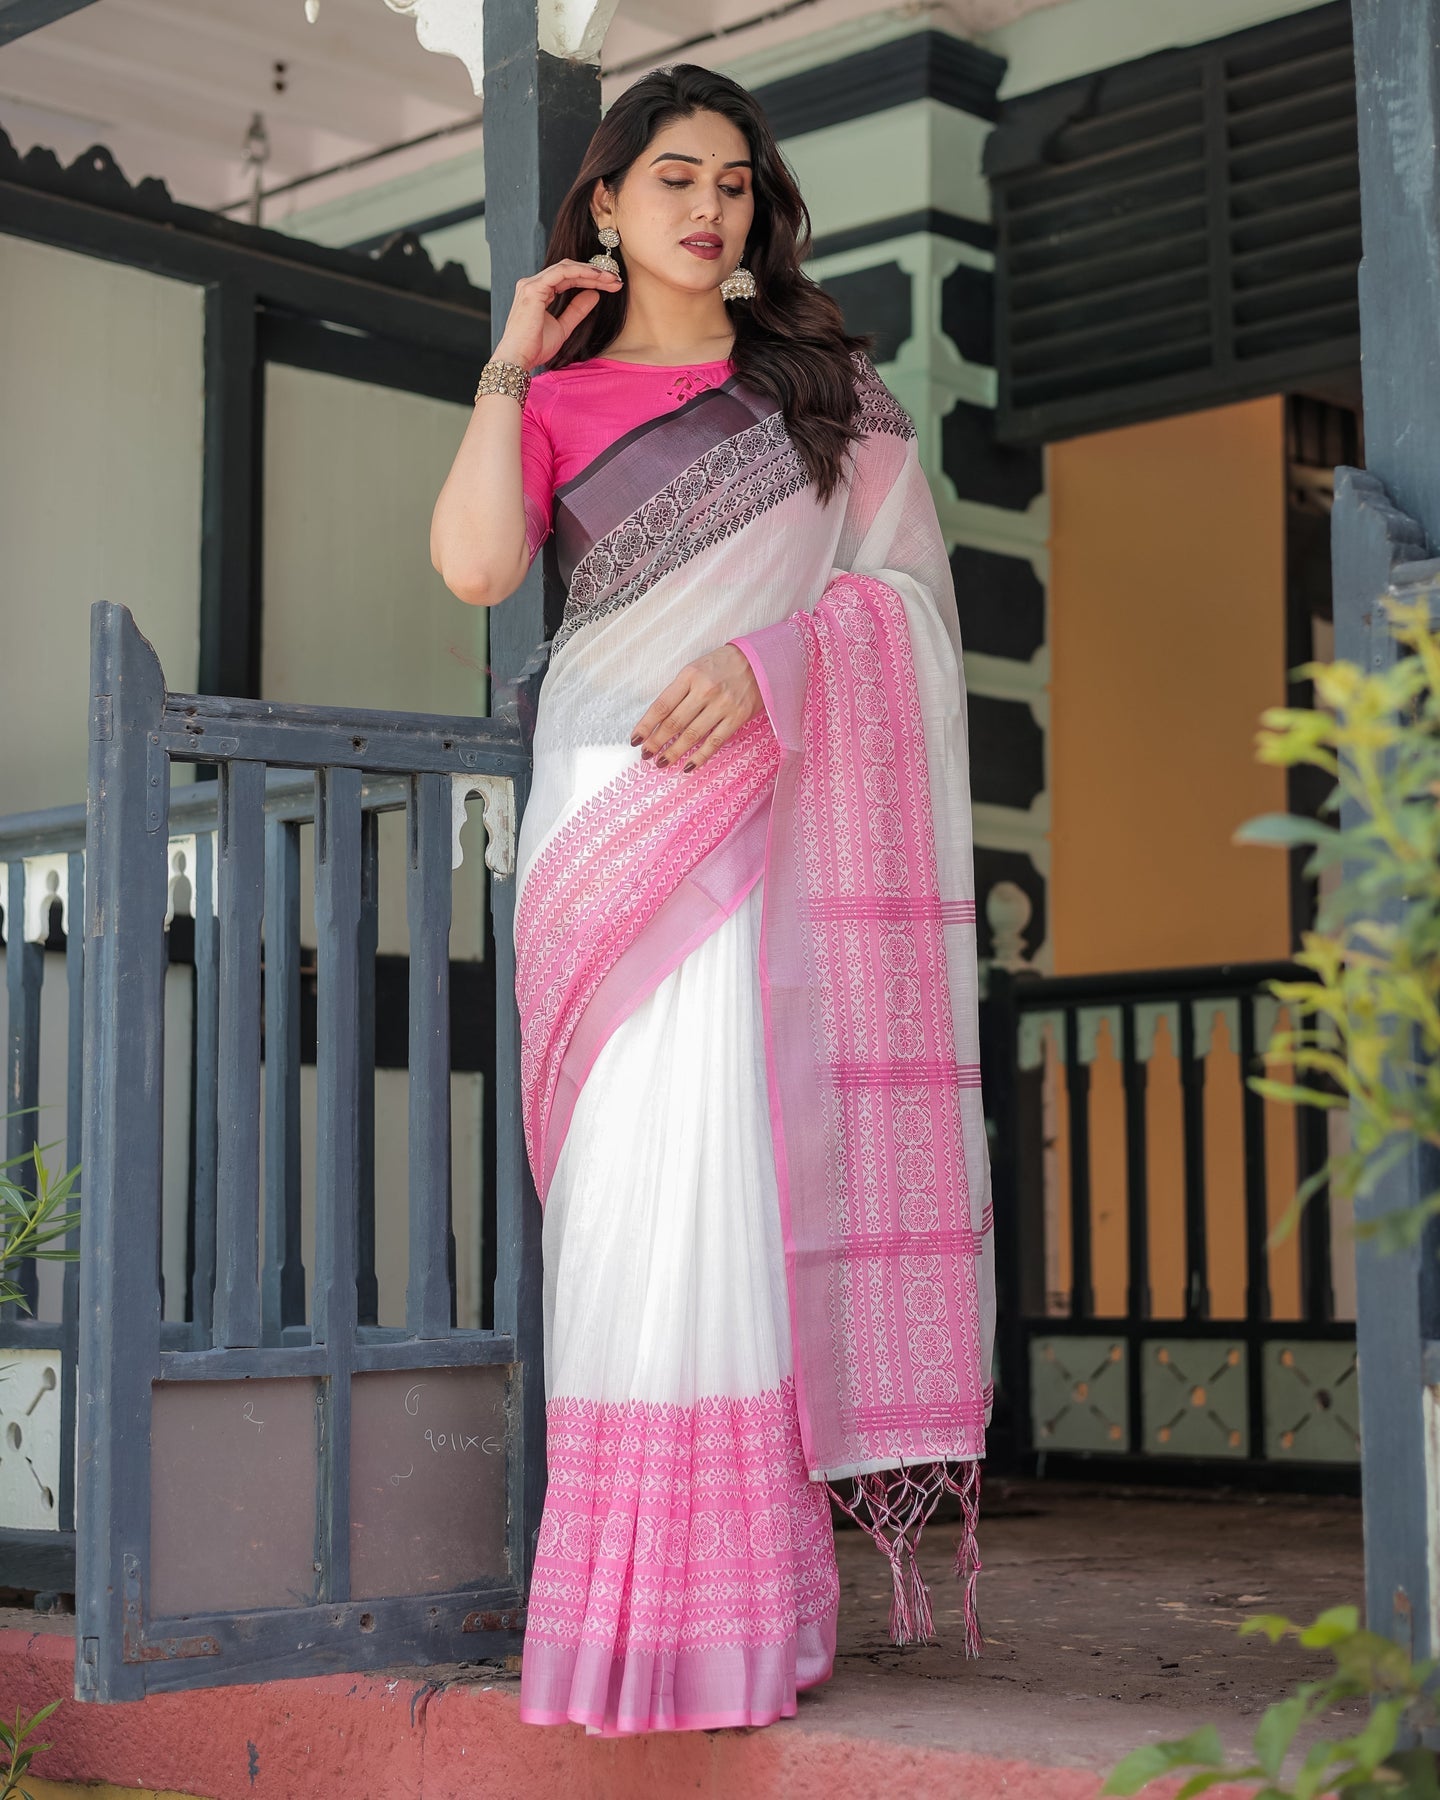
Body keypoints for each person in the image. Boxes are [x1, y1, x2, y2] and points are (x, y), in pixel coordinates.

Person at [431, 62, 994, 1739]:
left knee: (733, 1194)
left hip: (760, 824)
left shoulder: (824, 395)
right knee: (624, 1208)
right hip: (604, 825)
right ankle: (622, 1610)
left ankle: (741, 1613)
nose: (708, 208)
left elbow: (912, 605)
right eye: (674, 177)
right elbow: (475, 568)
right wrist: (509, 362)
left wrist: (773, 665)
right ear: (605, 202)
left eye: (735, 183)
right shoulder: (551, 397)